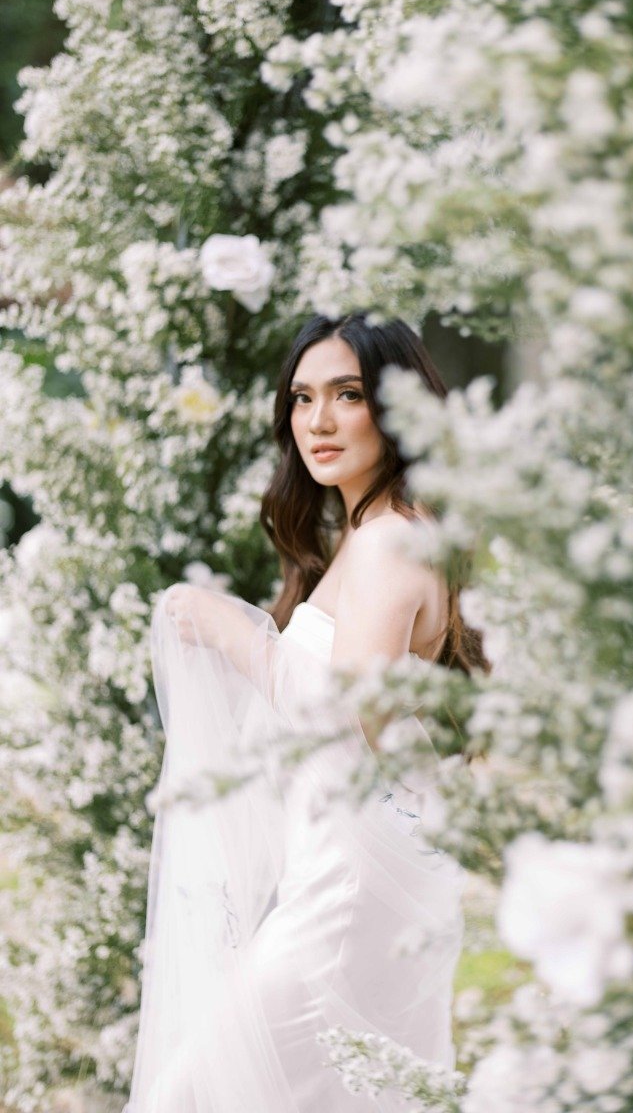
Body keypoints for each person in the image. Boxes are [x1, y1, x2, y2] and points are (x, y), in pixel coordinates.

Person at [124, 312, 489, 1112]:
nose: (318, 422)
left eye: (347, 395)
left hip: (348, 899)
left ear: (394, 406)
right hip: (340, 875)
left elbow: (346, 715)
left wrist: (232, 632)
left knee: (192, 1095)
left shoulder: (393, 538)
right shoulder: (374, 533)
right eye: (301, 399)